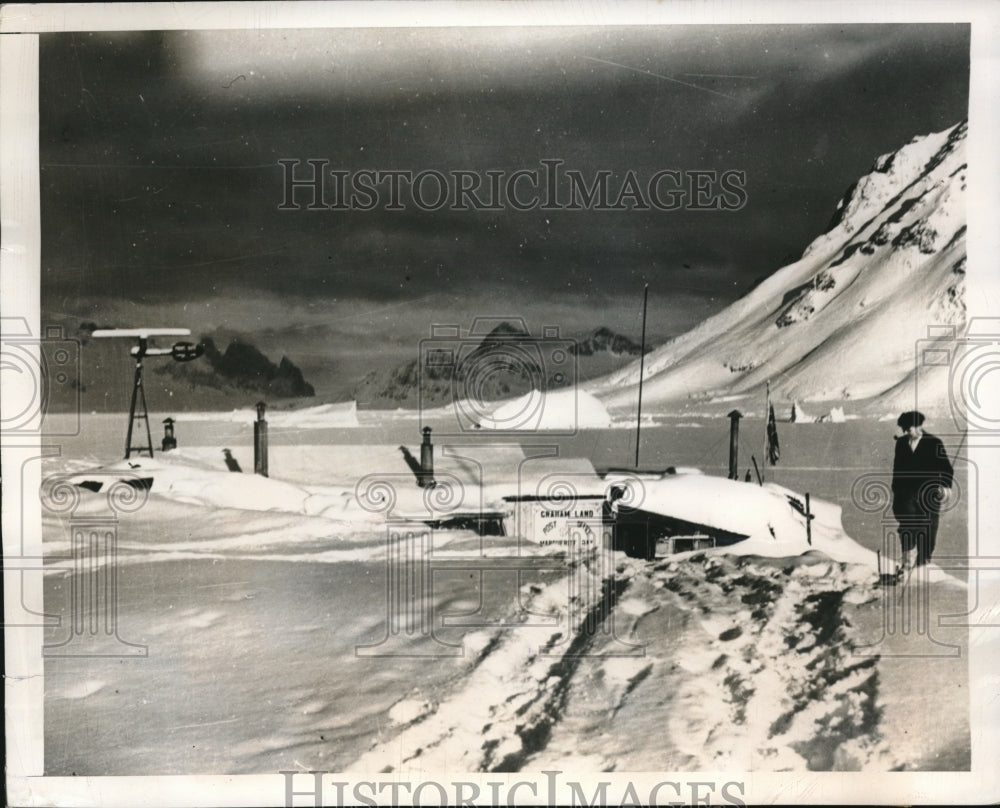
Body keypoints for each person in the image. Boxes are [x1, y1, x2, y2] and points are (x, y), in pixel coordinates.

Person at [891, 410, 953, 573]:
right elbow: (897, 470)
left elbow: (946, 468)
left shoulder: (934, 443)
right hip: (906, 495)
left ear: (919, 427)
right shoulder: (901, 443)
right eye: (905, 429)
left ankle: (923, 563)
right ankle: (907, 563)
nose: (906, 432)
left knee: (928, 529)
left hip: (929, 495)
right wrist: (896, 492)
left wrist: (945, 485)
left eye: (909, 428)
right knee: (907, 527)